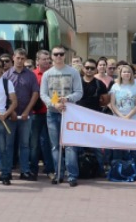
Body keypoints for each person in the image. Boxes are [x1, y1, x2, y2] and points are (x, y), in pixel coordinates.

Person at [38, 46, 83, 187]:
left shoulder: (73, 72)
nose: (58, 56)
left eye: (61, 54)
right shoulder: (47, 74)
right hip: (52, 113)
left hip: (69, 113)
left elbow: (79, 92)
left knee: (70, 146)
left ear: (65, 56)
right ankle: (58, 174)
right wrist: (54, 104)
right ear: (52, 56)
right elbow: (43, 94)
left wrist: (67, 99)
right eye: (56, 54)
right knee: (55, 146)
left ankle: (72, 175)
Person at [2, 48, 40, 181]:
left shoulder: (30, 75)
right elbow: (3, 96)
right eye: (18, 58)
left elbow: (35, 94)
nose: (20, 61)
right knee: (8, 145)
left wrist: (26, 111)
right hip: (10, 115)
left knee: (24, 145)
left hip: (26, 116)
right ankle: (7, 172)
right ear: (13, 57)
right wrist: (11, 112)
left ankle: (25, 171)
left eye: (22, 59)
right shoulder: (6, 75)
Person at [77, 58, 110, 177]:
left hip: (94, 119)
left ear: (96, 69)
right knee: (78, 145)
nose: (89, 70)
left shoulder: (99, 84)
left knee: (96, 146)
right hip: (77, 119)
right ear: (83, 68)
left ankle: (100, 170)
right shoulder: (76, 82)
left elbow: (105, 100)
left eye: (92, 68)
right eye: (87, 68)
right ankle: (79, 169)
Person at [108, 64, 136, 162]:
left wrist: (128, 116)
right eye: (124, 72)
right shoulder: (115, 86)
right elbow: (113, 104)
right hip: (118, 118)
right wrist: (121, 116)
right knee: (118, 143)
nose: (126, 74)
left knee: (133, 143)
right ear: (120, 74)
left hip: (133, 118)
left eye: (128, 72)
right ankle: (117, 165)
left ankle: (133, 166)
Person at [29, 50, 54, 179]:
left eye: (48, 59)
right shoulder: (32, 75)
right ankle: (33, 170)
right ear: (37, 61)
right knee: (34, 143)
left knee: (48, 143)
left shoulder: (53, 74)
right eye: (43, 59)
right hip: (35, 113)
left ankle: (50, 169)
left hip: (51, 113)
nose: (46, 61)